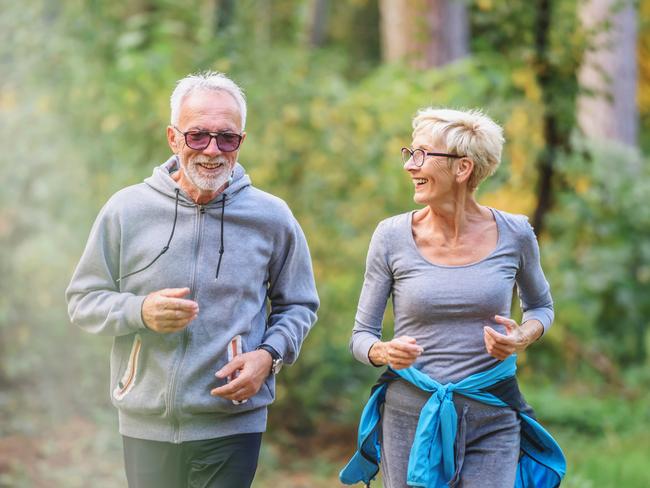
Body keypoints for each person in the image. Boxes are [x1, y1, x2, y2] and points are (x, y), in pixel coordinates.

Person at [66, 71, 319, 488]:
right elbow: (82, 299)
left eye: (227, 138)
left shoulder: (272, 217)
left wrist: (268, 356)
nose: (212, 150)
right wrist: (140, 311)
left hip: (233, 421)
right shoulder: (126, 209)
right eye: (198, 136)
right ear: (173, 138)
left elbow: (300, 304)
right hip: (145, 421)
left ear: (241, 142)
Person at [340, 108, 565, 487]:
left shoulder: (516, 233)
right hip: (410, 417)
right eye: (409, 153)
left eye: (423, 154)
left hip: (492, 414)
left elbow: (541, 306)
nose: (411, 165)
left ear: (462, 169)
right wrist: (384, 352)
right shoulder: (391, 236)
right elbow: (361, 335)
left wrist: (523, 337)